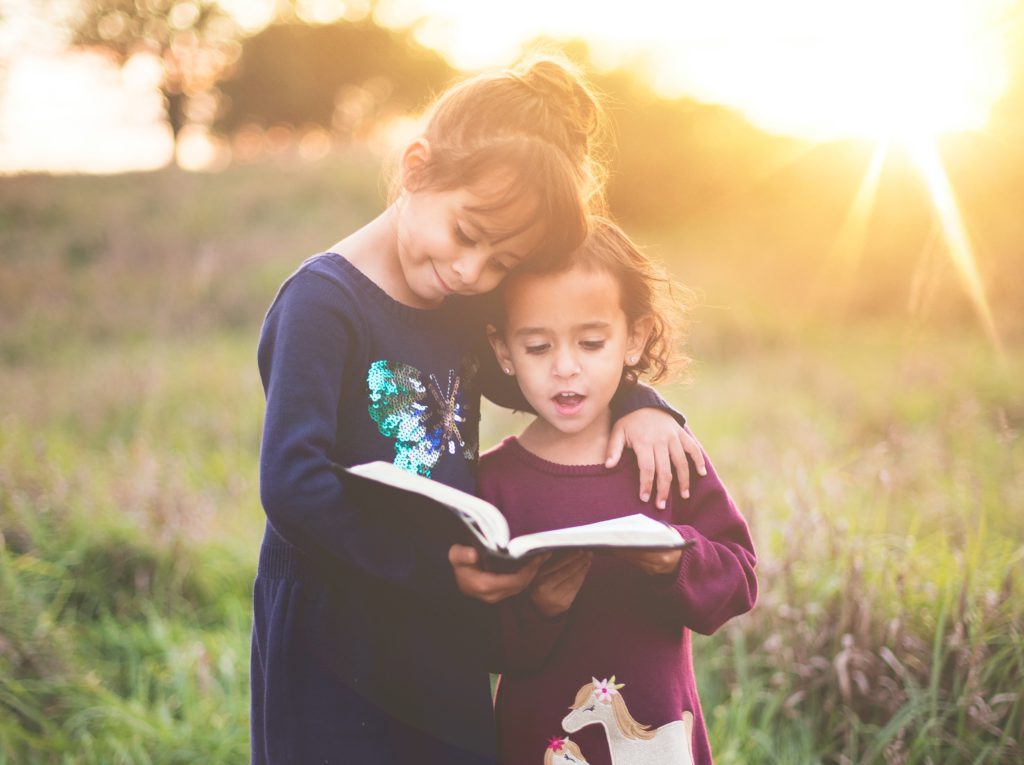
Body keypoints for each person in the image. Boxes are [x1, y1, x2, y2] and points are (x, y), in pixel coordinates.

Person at [251, 57, 704, 765]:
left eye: (501, 263)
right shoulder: (322, 304)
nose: (472, 273)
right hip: (335, 633)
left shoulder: (457, 305)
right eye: (467, 234)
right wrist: (441, 567)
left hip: (442, 625)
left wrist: (642, 403)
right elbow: (291, 484)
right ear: (416, 168)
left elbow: (546, 381)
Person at [482, 218, 758, 765]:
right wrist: (537, 607)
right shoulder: (493, 483)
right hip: (537, 741)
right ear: (504, 350)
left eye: (591, 342)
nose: (565, 368)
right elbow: (478, 644)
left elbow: (740, 579)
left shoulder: (664, 454)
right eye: (537, 346)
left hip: (656, 736)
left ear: (634, 337)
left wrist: (675, 557)